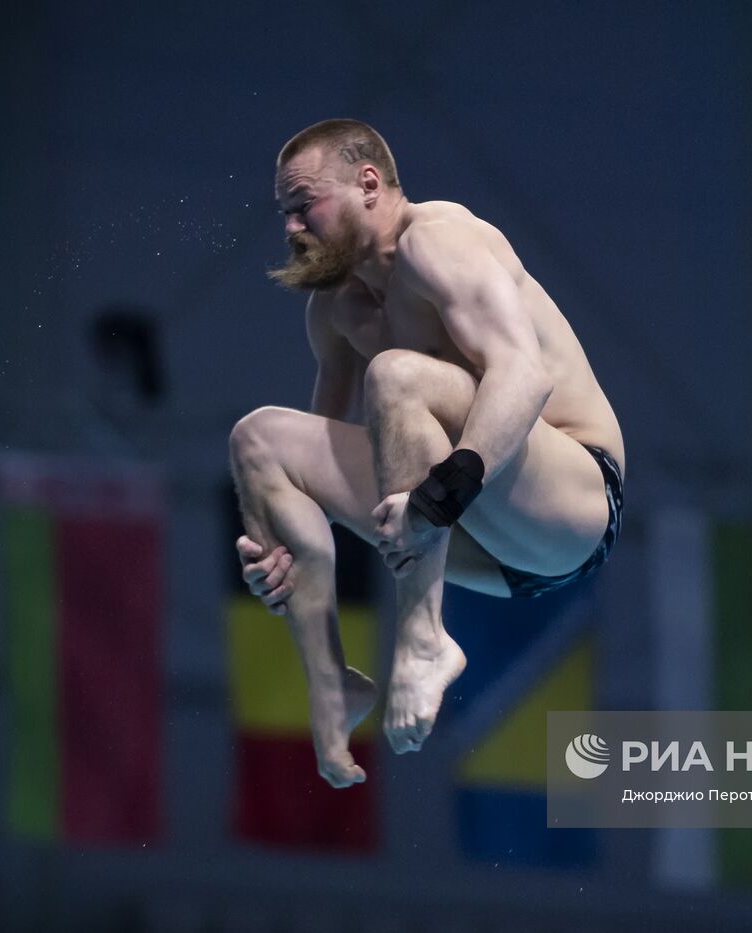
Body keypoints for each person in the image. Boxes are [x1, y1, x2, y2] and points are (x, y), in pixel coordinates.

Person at [228, 119, 625, 788]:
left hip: (568, 505)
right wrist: (283, 555)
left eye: (304, 205)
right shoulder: (335, 311)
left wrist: (442, 493)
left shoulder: (441, 242)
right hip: (474, 542)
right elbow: (316, 469)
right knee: (259, 438)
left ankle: (422, 637)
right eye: (285, 213)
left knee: (397, 375)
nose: (292, 228)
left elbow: (524, 376)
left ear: (369, 185)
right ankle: (333, 687)